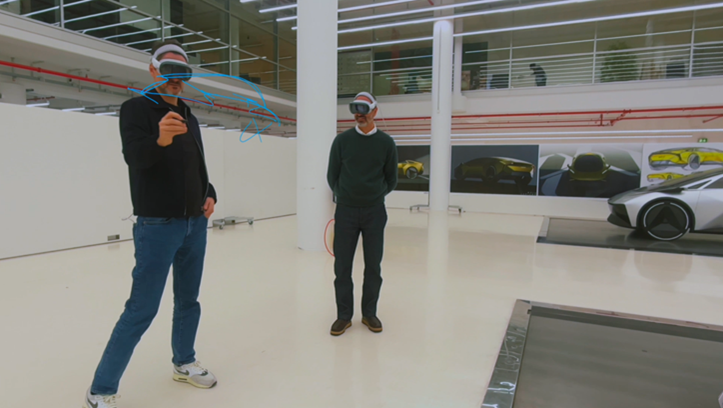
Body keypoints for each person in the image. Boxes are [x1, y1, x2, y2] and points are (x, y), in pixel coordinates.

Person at [83, 39, 218, 408]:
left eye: (182, 71)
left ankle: (184, 362)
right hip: (158, 226)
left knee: (188, 300)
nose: (175, 77)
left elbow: (196, 163)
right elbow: (135, 158)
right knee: (141, 309)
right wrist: (160, 139)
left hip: (195, 224)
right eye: (168, 69)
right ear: (153, 69)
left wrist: (209, 191)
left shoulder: (188, 114)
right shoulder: (136, 109)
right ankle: (101, 390)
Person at [326, 92, 398, 336]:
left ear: (374, 111)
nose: (359, 114)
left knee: (373, 266)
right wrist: (345, 195)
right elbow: (332, 175)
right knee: (342, 266)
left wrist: (375, 194)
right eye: (355, 109)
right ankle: (343, 316)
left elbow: (391, 179)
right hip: (346, 211)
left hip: (374, 212)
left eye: (364, 109)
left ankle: (369, 313)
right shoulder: (342, 141)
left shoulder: (386, 143)